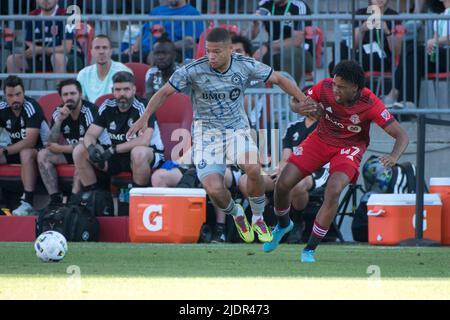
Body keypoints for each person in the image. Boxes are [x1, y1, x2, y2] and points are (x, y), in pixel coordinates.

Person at [127, 28, 317, 244]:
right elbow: (163, 93)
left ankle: (257, 217)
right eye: (208, 51)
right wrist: (144, 118)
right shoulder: (193, 70)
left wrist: (303, 100)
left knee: (253, 167)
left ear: (229, 50)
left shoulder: (244, 64)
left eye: (216, 52)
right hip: (206, 134)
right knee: (214, 188)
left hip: (236, 129)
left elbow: (279, 79)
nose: (211, 56)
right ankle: (236, 214)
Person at [264, 60, 409, 262]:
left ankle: (309, 249)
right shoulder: (324, 87)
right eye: (334, 84)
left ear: (355, 88)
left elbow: (402, 135)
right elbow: (296, 102)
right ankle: (283, 224)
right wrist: (299, 108)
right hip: (320, 140)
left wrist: (393, 157)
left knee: (333, 190)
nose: (335, 89)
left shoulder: (371, 103)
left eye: (341, 87)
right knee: (282, 183)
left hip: (349, 148)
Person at [239, 112, 329, 243]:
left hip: (317, 170)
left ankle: (297, 221)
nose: (303, 103)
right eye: (298, 100)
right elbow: (286, 158)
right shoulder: (293, 126)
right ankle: (266, 217)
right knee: (245, 181)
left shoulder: (328, 126)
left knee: (295, 183)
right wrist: (281, 169)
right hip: (291, 169)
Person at [73, 71, 164, 196]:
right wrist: (91, 148)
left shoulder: (144, 106)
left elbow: (144, 141)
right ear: (113, 91)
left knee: (138, 152)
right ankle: (94, 198)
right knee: (80, 150)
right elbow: (90, 135)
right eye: (118, 89)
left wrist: (114, 149)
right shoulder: (106, 105)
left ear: (133, 90)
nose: (122, 94)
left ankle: (140, 198)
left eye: (126, 89)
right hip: (115, 155)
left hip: (148, 154)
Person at [37, 79, 106, 208]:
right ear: (61, 97)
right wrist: (59, 121)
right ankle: (55, 199)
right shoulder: (59, 112)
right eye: (65, 94)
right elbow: (50, 143)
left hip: (93, 152)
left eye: (73, 93)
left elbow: (87, 144)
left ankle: (73, 200)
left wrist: (60, 148)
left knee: (79, 154)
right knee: (42, 155)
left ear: (80, 94)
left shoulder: (89, 111)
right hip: (71, 150)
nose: (69, 97)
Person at [0, 76, 50, 216]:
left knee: (26, 152)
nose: (15, 99)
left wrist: (4, 150)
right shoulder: (2, 108)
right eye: (10, 95)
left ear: (24, 93)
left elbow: (30, 141)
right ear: (5, 96)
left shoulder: (31, 107)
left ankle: (27, 202)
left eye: (18, 94)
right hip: (16, 149)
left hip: (41, 150)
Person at [384, 0, 450, 105]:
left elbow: (437, 40)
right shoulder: (440, 16)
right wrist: (431, 45)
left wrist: (435, 41)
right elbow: (435, 42)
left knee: (415, 49)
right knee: (412, 54)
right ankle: (407, 101)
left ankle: (394, 92)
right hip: (441, 56)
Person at [329, 0, 402, 76]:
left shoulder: (393, 15)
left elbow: (396, 51)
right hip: (361, 53)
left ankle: (343, 78)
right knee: (339, 48)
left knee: (340, 65)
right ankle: (343, 77)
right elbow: (354, 44)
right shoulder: (361, 13)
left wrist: (387, 31)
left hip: (382, 57)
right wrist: (362, 29)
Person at [6, 0, 80, 73]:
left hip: (70, 57)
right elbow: (28, 41)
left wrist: (39, 49)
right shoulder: (32, 15)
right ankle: (14, 85)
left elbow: (66, 48)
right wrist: (32, 50)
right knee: (12, 59)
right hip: (40, 57)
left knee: (57, 57)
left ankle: (62, 85)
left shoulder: (68, 15)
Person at [251, 0, 313, 84]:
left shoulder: (299, 6)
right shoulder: (264, 4)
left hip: (300, 52)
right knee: (246, 52)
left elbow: (297, 41)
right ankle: (252, 94)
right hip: (273, 51)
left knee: (289, 53)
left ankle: (292, 94)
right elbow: (251, 36)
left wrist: (268, 47)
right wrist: (255, 24)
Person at [123, 0, 204, 64]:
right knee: (120, 58)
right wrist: (134, 47)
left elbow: (189, 43)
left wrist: (161, 48)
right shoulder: (156, 11)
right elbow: (144, 31)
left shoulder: (192, 13)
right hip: (143, 52)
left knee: (159, 58)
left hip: (169, 53)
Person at [77, 35, 132, 103]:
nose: (101, 51)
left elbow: (127, 100)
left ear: (111, 51)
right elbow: (80, 102)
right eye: (97, 48)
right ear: (91, 52)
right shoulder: (83, 74)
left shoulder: (123, 71)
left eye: (105, 47)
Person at [145, 36, 180, 100]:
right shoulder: (151, 74)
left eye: (165, 53)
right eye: (157, 53)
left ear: (174, 55)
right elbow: (148, 102)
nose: (160, 57)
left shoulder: (184, 74)